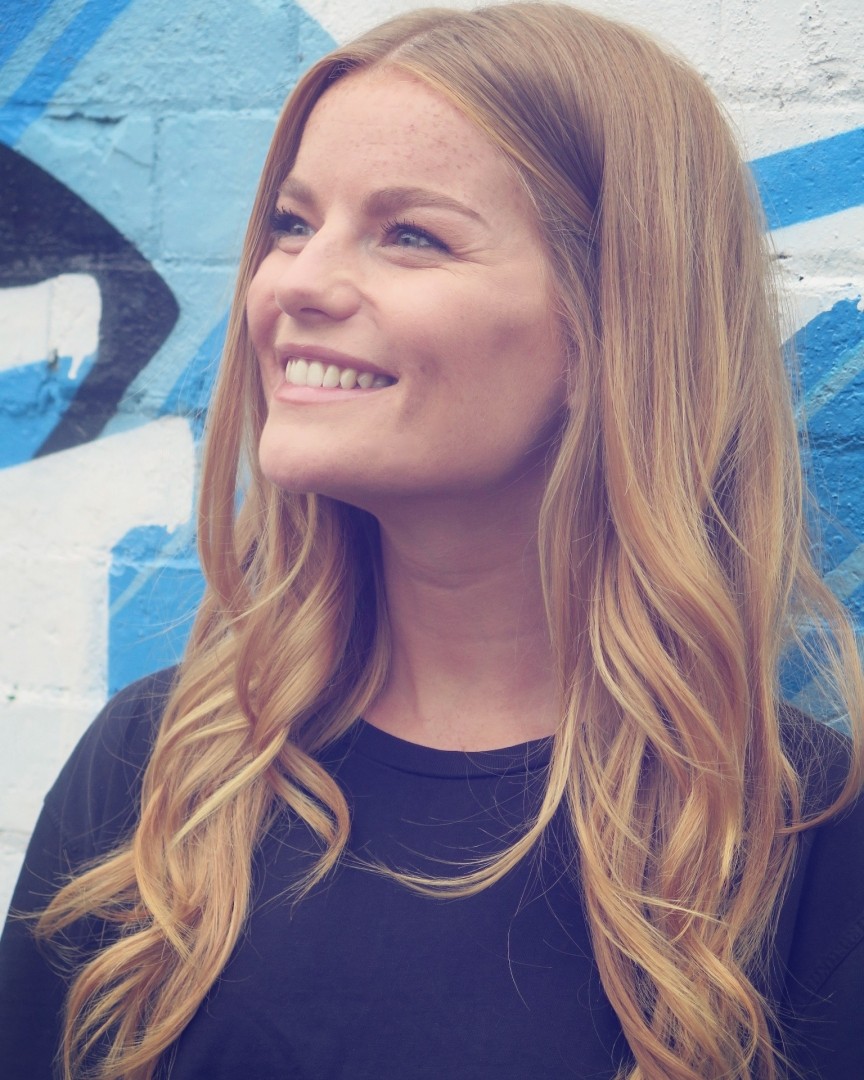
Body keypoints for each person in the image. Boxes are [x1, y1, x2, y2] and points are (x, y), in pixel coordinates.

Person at [2, 4, 863, 1078]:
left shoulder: (800, 839)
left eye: (411, 234)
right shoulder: (156, 768)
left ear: (615, 322)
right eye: (292, 223)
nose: (293, 282)